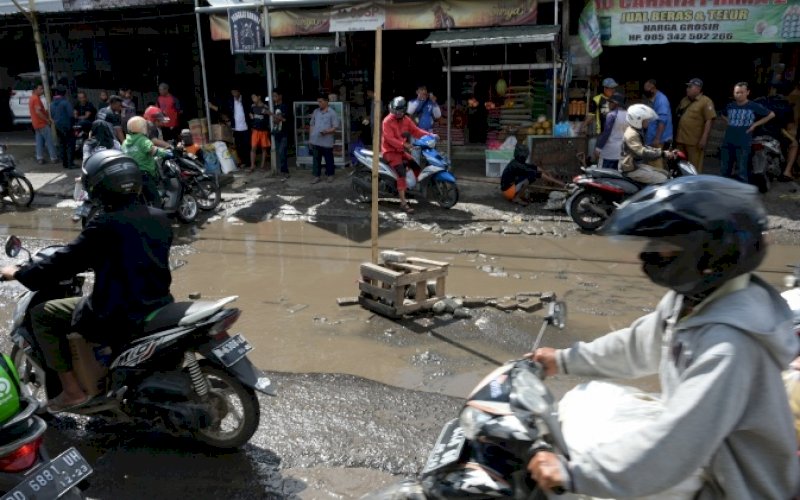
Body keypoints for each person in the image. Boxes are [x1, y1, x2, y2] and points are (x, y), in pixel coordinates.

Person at [527, 175, 799, 498]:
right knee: (587, 398)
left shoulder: (729, 346)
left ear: (709, 252)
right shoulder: (692, 302)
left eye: (664, 246)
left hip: (733, 485)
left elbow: (679, 441)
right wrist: (563, 360)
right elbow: (638, 345)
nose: (649, 255)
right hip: (706, 456)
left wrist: (574, 474)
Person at [0, 150, 174, 412]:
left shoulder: (103, 225)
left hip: (117, 312)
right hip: (157, 303)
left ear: (98, 186)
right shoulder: (160, 218)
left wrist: (19, 273)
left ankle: (71, 391)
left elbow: (64, 262)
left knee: (42, 315)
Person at [381, 96, 430, 213]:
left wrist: (430, 135)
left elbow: (416, 131)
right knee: (401, 173)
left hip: (401, 150)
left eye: (399, 111)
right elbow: (389, 139)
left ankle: (412, 190)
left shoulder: (406, 119)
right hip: (390, 152)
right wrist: (405, 144)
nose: (396, 113)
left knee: (415, 166)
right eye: (394, 111)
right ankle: (403, 203)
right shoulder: (387, 121)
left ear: (404, 111)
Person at [719, 81, 774, 183]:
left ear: (747, 92)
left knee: (742, 170)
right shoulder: (730, 106)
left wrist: (754, 125)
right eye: (736, 92)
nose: (738, 95)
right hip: (728, 141)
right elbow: (722, 114)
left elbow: (771, 114)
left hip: (743, 142)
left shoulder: (753, 106)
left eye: (741, 92)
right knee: (724, 170)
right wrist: (728, 121)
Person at [619, 104, 675, 185]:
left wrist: (661, 151)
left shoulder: (635, 130)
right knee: (664, 179)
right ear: (637, 120)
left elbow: (643, 147)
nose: (648, 122)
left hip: (636, 166)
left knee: (665, 173)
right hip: (630, 169)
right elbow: (642, 152)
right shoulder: (632, 134)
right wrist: (662, 153)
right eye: (646, 120)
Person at [123, 115, 171, 205]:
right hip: (145, 174)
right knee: (156, 199)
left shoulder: (125, 142)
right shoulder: (143, 140)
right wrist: (167, 152)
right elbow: (153, 150)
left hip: (132, 175)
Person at [754, 83, 798, 182]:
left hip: (755, 134)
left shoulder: (759, 101)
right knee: (795, 144)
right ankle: (787, 172)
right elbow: (790, 127)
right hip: (775, 135)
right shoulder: (787, 106)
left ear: (773, 90)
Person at [675, 78, 716, 173]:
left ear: (698, 89)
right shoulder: (684, 100)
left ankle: (695, 185)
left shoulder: (706, 101)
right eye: (687, 87)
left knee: (694, 167)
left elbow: (709, 120)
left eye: (690, 87)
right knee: (681, 165)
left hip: (694, 141)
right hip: (681, 139)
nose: (687, 89)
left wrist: (704, 138)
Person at [208, 86, 250, 170]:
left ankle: (247, 162)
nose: (234, 94)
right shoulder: (230, 101)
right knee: (238, 145)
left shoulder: (245, 100)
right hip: (236, 127)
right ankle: (242, 162)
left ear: (239, 92)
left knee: (246, 145)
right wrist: (212, 106)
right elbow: (223, 110)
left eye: (235, 92)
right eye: (232, 92)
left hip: (245, 126)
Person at [309, 93, 340, 184]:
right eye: (318, 102)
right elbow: (312, 125)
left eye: (321, 101)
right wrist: (311, 138)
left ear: (326, 101)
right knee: (316, 159)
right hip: (316, 140)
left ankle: (330, 175)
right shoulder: (316, 111)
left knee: (329, 159)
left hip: (327, 141)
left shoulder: (332, 112)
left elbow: (335, 127)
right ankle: (316, 176)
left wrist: (327, 131)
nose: (319, 103)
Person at [593, 92, 627, 170]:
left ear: (615, 103)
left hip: (609, 152)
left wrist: (598, 148)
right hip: (621, 151)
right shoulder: (628, 114)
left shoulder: (611, 115)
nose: (608, 104)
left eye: (610, 102)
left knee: (603, 177)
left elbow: (606, 133)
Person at [29, 83, 58, 165]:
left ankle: (40, 158)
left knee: (39, 142)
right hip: (42, 123)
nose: (42, 90)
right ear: (35, 90)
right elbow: (38, 111)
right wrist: (47, 120)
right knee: (49, 141)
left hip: (36, 124)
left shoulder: (32, 98)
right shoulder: (36, 99)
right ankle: (54, 158)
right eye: (40, 89)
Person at [50, 86, 75, 169]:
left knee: (62, 145)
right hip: (67, 126)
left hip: (58, 126)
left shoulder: (52, 104)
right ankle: (70, 164)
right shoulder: (65, 103)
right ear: (64, 93)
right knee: (70, 145)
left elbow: (52, 116)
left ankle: (64, 163)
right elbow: (71, 115)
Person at [248, 92, 271, 174]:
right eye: (252, 98)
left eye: (254, 97)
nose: (253, 99)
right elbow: (250, 113)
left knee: (264, 148)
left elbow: (269, 118)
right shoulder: (252, 106)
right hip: (255, 130)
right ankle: (252, 165)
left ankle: (262, 166)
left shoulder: (265, 107)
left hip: (263, 130)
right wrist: (251, 116)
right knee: (253, 148)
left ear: (259, 97)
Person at [270, 88, 290, 179]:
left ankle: (285, 171)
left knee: (282, 152)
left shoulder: (284, 106)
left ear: (280, 96)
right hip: (276, 132)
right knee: (280, 152)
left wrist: (271, 114)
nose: (274, 98)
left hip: (284, 132)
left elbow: (284, 119)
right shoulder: (273, 106)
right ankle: (282, 170)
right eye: (273, 96)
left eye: (275, 96)